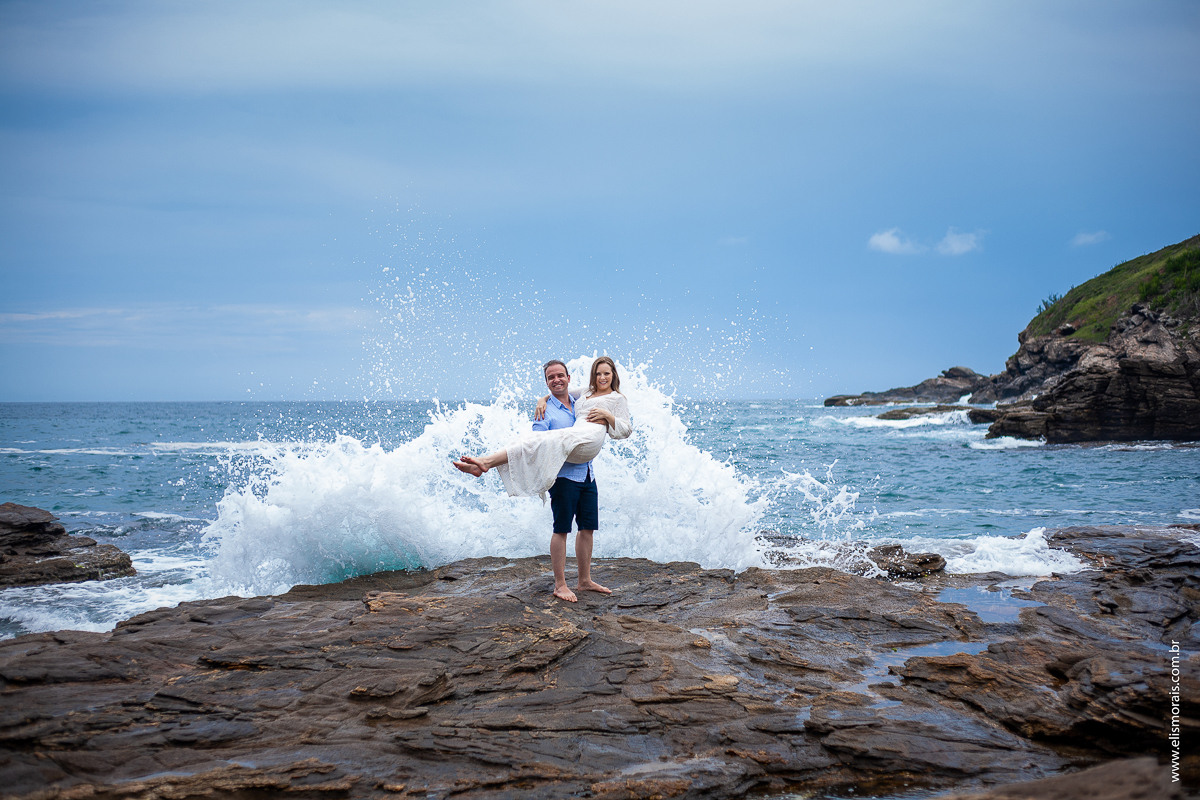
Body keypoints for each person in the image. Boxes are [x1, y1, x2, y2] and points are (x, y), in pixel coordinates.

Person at [452, 357, 633, 602]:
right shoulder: (547, 409)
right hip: (563, 476)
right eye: (551, 378)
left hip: (587, 472)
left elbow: (624, 428)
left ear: (569, 378)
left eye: (560, 376)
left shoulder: (584, 398)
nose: (602, 378)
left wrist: (607, 416)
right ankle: (560, 585)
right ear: (547, 382)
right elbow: (536, 443)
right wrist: (543, 400)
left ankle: (584, 581)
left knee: (587, 528)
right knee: (561, 528)